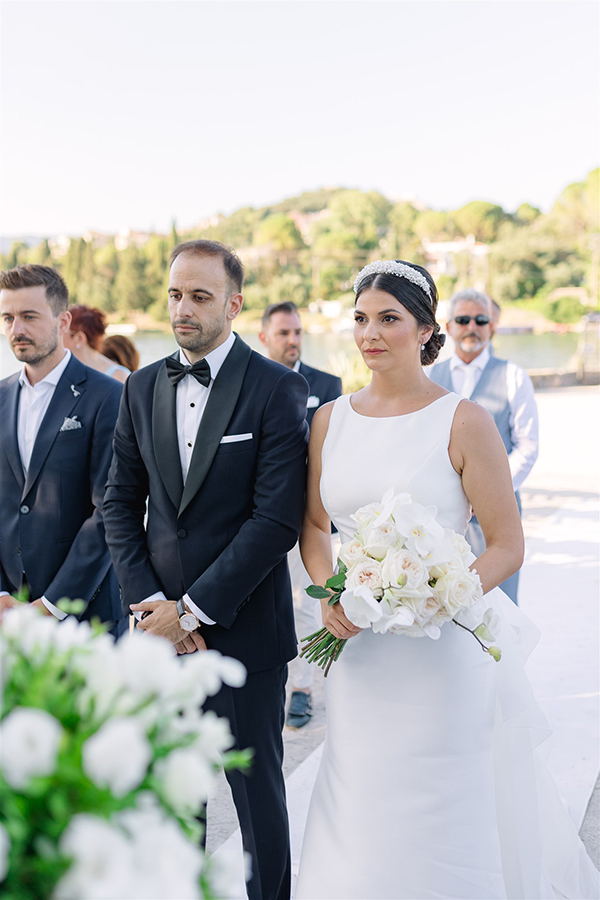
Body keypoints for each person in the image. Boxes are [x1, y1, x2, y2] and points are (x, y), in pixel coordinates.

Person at [295, 260, 598, 900]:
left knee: (443, 808)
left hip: (441, 655)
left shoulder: (465, 422)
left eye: (388, 319)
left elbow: (507, 545)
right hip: (360, 652)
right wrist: (329, 594)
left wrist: (439, 596)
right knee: (360, 799)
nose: (369, 333)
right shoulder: (329, 420)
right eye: (360, 319)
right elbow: (316, 528)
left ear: (425, 329)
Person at [103, 240, 308, 900]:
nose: (182, 308)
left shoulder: (278, 387)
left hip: (244, 632)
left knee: (257, 802)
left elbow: (275, 520)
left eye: (199, 295)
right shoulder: (138, 386)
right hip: (158, 634)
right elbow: (117, 503)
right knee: (174, 799)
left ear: (233, 303)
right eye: (174, 294)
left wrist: (190, 612)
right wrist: (149, 607)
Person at [0, 265, 124, 634]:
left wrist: (53, 605)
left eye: (29, 316)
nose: (16, 329)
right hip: (10, 615)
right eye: (7, 317)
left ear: (62, 321)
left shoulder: (108, 396)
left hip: (88, 615)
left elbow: (110, 510)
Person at [259, 301, 342, 728]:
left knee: (309, 602)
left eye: (297, 332)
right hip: (259, 517)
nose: (292, 340)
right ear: (264, 338)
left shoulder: (328, 384)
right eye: (283, 333)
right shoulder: (251, 385)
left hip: (311, 517)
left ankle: (304, 688)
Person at [429, 288, 538, 603]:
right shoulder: (428, 377)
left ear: (492, 326)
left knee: (500, 610)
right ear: (448, 327)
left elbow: (528, 446)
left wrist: (491, 494)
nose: (472, 327)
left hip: (496, 520)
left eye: (481, 320)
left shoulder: (514, 377)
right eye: (463, 319)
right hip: (441, 519)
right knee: (443, 606)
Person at [63, 305, 130, 382]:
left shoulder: (119, 376)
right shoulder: (66, 372)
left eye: (63, 333)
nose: (58, 337)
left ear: (80, 338)